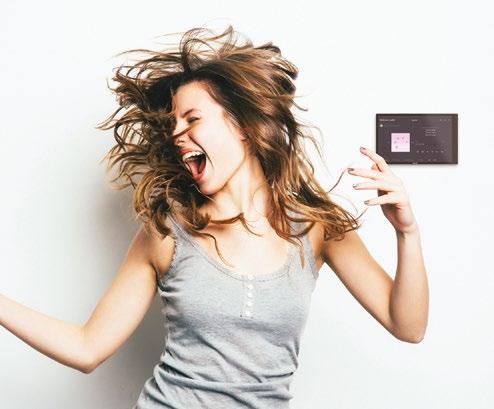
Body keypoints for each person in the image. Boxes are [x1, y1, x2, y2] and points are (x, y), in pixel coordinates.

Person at [0, 25, 429, 408]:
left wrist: (406, 232)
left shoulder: (315, 228)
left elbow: (407, 326)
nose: (177, 134)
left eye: (192, 119)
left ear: (241, 125)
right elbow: (87, 348)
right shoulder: (167, 234)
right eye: (174, 124)